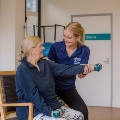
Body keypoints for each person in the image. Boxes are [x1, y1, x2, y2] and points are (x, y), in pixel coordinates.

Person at [16, 36, 94, 120]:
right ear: (32, 50)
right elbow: (34, 97)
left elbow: (65, 69)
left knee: (79, 116)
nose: (43, 48)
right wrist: (50, 112)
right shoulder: (23, 70)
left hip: (52, 107)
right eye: (40, 46)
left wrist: (84, 68)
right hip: (33, 111)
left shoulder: (45, 64)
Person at [48, 22, 90, 120]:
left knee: (83, 113)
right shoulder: (56, 47)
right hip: (51, 88)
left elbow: (80, 75)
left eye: (69, 37)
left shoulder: (84, 50)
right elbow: (48, 70)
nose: (65, 39)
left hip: (68, 88)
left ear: (78, 37)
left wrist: (85, 71)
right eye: (64, 36)